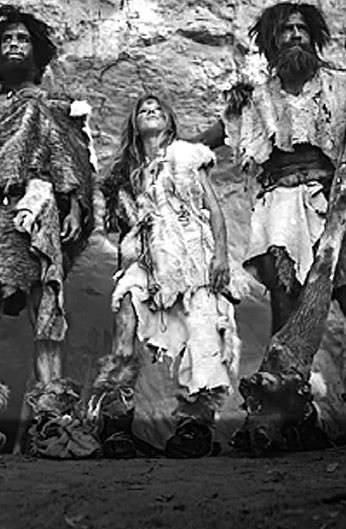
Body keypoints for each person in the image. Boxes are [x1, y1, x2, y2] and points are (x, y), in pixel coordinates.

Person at [201, 2, 346, 454]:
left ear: (315, 36)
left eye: (303, 28)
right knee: (287, 311)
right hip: (280, 211)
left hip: (338, 203)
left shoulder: (344, 88)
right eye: (286, 30)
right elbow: (206, 144)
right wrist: (167, 152)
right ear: (271, 42)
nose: (296, 35)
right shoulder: (255, 99)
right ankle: (294, 415)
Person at [0, 5, 98, 459]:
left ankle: (51, 418)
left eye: (22, 39)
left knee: (45, 314)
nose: (14, 44)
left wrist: (75, 204)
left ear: (37, 51)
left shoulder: (56, 105)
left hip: (41, 211)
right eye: (7, 39)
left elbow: (75, 160)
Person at [88, 95, 241, 459]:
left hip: (191, 255)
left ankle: (195, 426)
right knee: (125, 318)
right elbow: (118, 227)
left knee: (201, 333)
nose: (151, 111)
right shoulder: (123, 173)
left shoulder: (187, 156)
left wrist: (221, 256)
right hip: (144, 260)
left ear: (170, 120)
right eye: (143, 109)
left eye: (157, 108)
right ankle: (117, 424)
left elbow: (213, 210)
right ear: (134, 125)